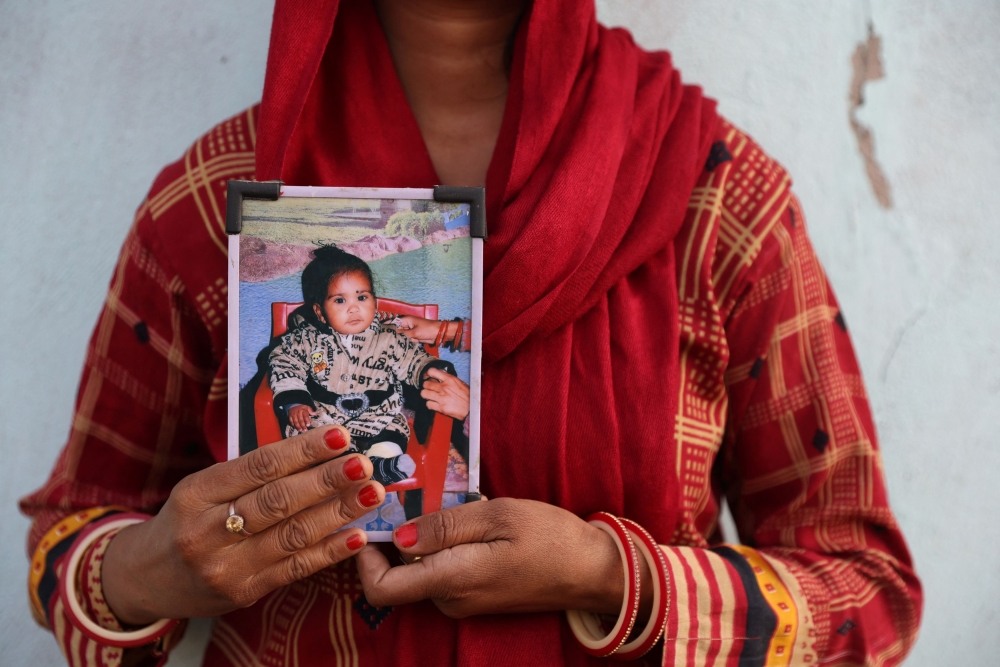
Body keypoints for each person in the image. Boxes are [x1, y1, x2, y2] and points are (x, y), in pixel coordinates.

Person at [19, 0, 922, 665]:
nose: (355, 316)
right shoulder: (215, 210)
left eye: (364, 303)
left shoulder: (712, 201)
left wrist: (614, 576)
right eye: (339, 304)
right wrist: (149, 570)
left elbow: (869, 593)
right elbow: (72, 530)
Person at [268, 245, 452, 485]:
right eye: (340, 300)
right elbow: (285, 362)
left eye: (362, 297)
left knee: (392, 437)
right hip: (325, 415)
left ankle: (380, 465)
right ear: (320, 312)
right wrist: (295, 401)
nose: (353, 307)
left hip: (379, 415)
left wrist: (429, 371)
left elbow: (412, 359)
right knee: (318, 441)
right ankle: (345, 468)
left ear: (374, 301)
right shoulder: (307, 339)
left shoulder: (390, 338)